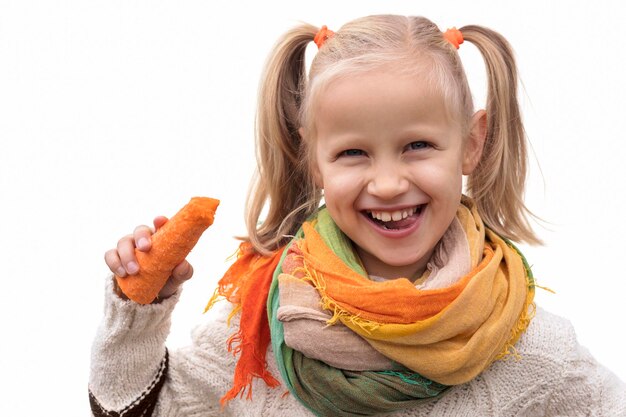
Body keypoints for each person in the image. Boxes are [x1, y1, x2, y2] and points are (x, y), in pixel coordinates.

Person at [89, 15, 626, 416]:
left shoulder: (527, 349)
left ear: (471, 143)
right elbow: (138, 408)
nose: (388, 183)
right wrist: (139, 305)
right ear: (314, 159)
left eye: (418, 145)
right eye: (353, 153)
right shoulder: (262, 324)